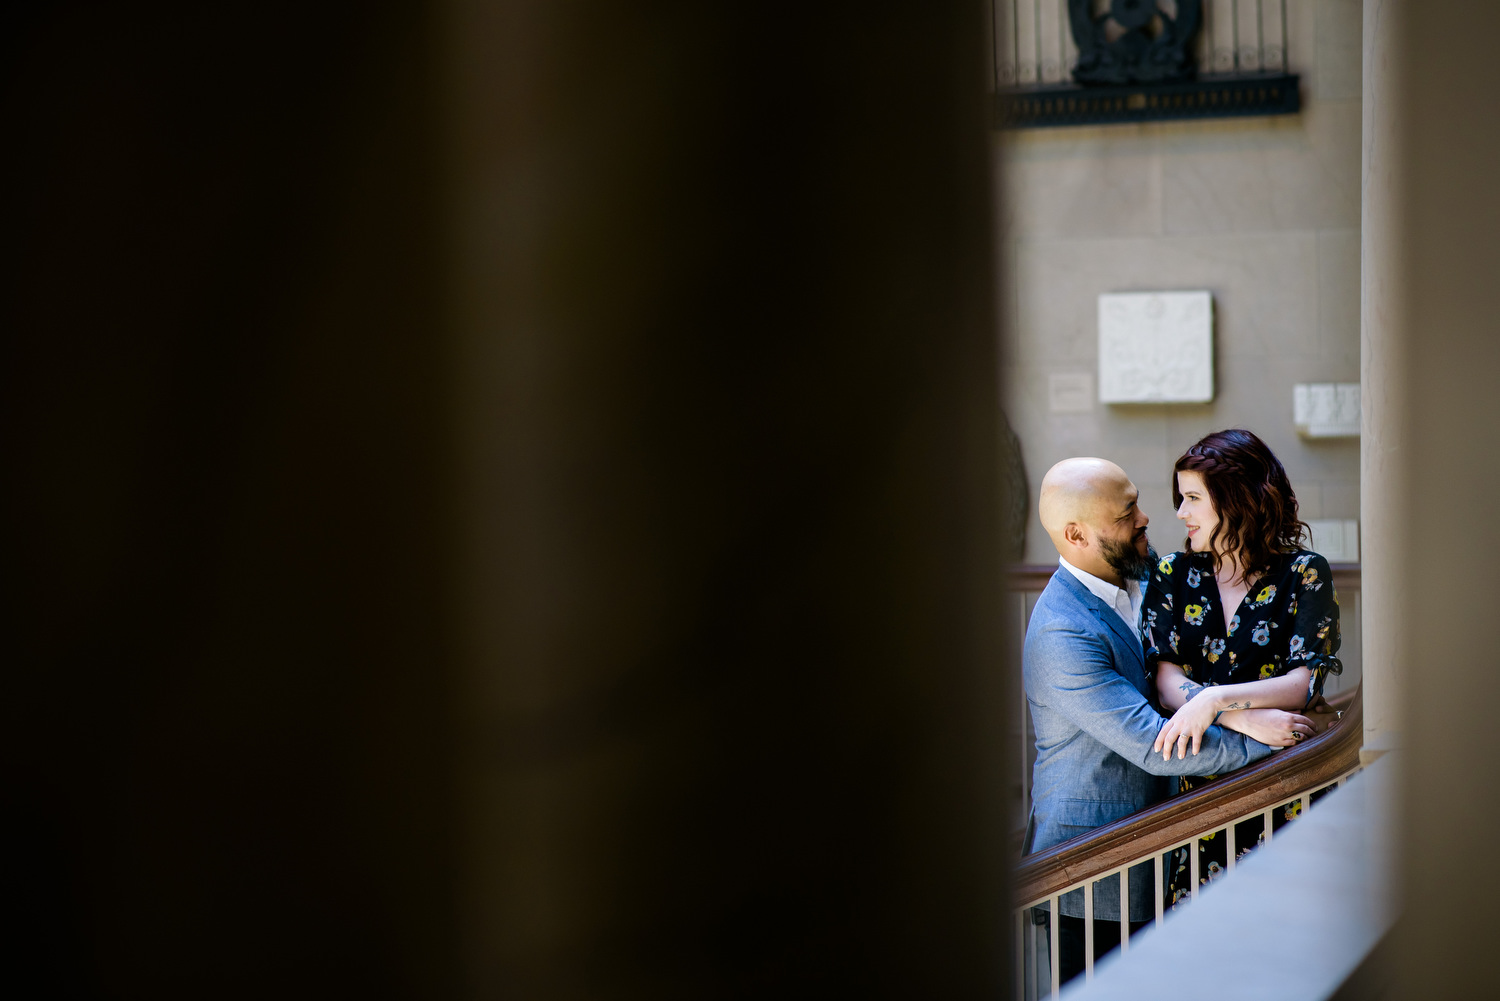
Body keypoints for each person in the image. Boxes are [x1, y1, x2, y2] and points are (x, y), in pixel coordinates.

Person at [1023, 457, 1316, 985]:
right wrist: (1272, 738)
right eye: (1126, 511)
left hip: (1166, 846)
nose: (1145, 519)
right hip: (1093, 869)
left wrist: (1231, 707)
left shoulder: (1151, 576)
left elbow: (1176, 678)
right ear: (1076, 534)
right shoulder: (1059, 634)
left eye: (1136, 501)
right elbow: (1155, 743)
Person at [1146, 428, 1343, 907]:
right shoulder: (1173, 573)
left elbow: (1301, 684)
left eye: (1192, 497)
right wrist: (1238, 716)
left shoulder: (1304, 572)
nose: (1180, 513)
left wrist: (1213, 699)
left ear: (1234, 500)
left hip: (1290, 784)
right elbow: (1167, 680)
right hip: (1204, 790)